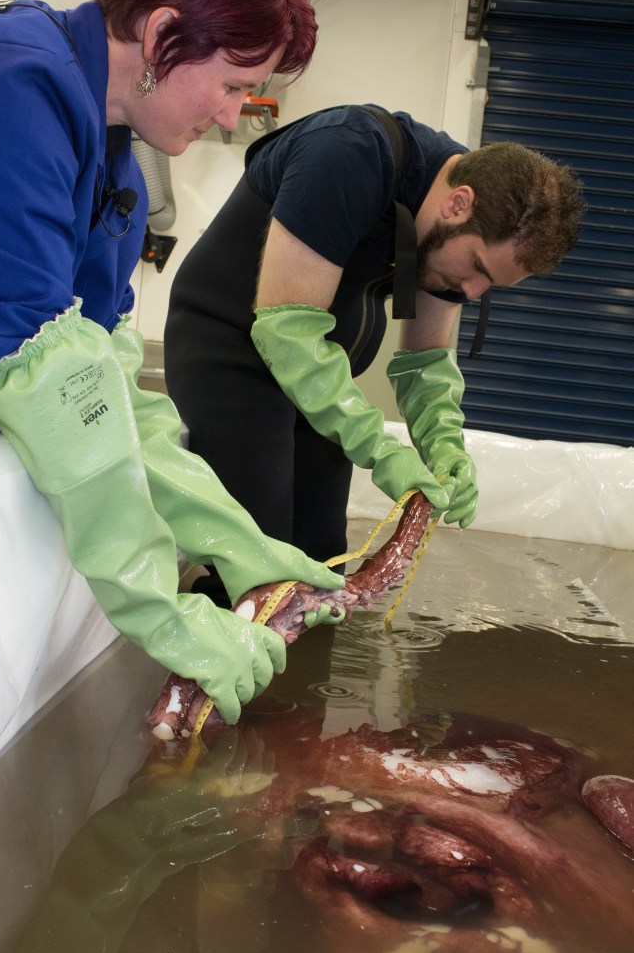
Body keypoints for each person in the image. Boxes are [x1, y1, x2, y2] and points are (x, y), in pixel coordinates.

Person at [0, 0, 349, 726]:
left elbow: (106, 389)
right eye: (234, 86)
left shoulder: (114, 168)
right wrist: (160, 608)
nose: (235, 118)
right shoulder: (4, 87)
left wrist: (233, 539)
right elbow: (46, 374)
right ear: (164, 33)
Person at [165, 104, 585, 603]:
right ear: (458, 203)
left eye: (490, 284)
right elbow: (287, 336)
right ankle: (211, 671)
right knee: (261, 567)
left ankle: (304, 679)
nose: (471, 292)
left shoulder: (457, 223)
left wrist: (444, 445)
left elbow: (425, 361)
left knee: (322, 561)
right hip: (234, 356)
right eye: (475, 266)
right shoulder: (349, 153)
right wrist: (381, 451)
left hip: (320, 384)